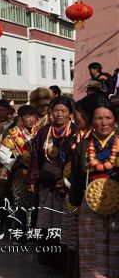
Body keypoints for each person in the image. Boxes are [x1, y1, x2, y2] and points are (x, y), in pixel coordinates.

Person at [69, 101, 118, 278]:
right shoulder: (83, 146)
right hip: (90, 204)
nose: (103, 123)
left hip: (118, 205)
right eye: (98, 118)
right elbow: (76, 177)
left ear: (114, 120)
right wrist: (74, 203)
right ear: (92, 121)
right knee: (91, 250)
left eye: (108, 118)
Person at [28, 96, 76, 272]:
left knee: (65, 224)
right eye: (56, 110)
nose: (59, 114)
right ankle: (49, 260)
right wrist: (33, 179)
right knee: (47, 223)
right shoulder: (44, 131)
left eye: (63, 111)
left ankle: (64, 263)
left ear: (70, 114)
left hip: (66, 186)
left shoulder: (75, 131)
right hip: (47, 185)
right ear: (50, 112)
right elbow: (35, 157)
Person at [62, 94, 105, 278]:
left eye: (78, 113)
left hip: (96, 203)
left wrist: (74, 198)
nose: (75, 117)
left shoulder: (90, 143)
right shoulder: (80, 139)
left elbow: (79, 177)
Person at [0, 105, 38, 241]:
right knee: (20, 205)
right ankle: (19, 234)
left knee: (36, 205)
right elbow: (1, 154)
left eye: (33, 116)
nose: (31, 120)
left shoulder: (39, 132)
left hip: (36, 174)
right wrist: (15, 162)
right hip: (21, 174)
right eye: (27, 117)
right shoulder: (13, 134)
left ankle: (33, 234)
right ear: (21, 118)